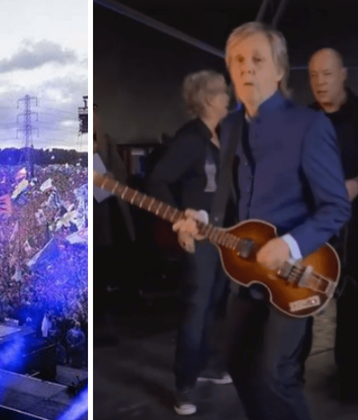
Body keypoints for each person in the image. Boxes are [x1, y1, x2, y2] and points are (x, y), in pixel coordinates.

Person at [173, 22, 350, 420]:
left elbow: (336, 207)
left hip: (296, 269)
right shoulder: (231, 126)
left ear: (279, 70)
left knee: (275, 374)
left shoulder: (309, 126)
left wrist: (289, 244)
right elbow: (230, 202)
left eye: (257, 59)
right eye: (237, 60)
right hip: (247, 270)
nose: (246, 69)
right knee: (237, 362)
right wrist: (203, 218)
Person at [145, 69, 232, 415]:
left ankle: (205, 366)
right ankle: (184, 386)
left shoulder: (220, 137)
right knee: (196, 307)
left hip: (224, 236)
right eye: (224, 93)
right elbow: (158, 180)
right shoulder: (190, 138)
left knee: (213, 302)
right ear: (209, 99)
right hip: (199, 238)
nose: (229, 98)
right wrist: (180, 219)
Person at [308, 47, 358, 399]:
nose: (320, 82)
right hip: (311, 227)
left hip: (355, 229)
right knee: (298, 300)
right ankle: (287, 377)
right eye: (313, 76)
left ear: (343, 74)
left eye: (327, 74)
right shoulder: (304, 120)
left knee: (353, 303)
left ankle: (350, 378)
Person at [92, 104, 136, 346]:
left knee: (108, 267)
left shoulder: (108, 143)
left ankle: (108, 318)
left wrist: (112, 178)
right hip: (96, 219)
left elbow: (122, 174)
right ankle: (99, 325)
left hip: (113, 213)